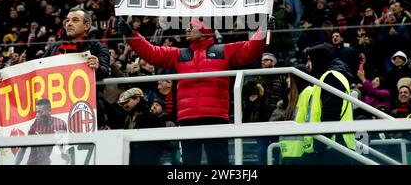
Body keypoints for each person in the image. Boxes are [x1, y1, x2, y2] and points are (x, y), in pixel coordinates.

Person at [116, 16, 269, 165]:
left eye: (193, 26)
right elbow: (152, 53)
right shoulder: (179, 54)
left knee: (219, 163)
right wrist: (132, 35)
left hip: (215, 117)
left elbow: (250, 50)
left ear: (205, 30)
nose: (187, 29)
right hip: (187, 118)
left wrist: (263, 30)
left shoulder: (225, 50)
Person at [304, 43, 356, 164]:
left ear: (319, 59)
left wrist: (320, 144)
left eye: (310, 60)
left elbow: (331, 112)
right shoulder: (330, 76)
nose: (307, 64)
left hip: (333, 146)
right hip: (335, 145)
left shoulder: (331, 76)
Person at [118, 88, 165, 165]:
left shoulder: (152, 118)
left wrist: (150, 156)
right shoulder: (128, 119)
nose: (124, 106)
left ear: (137, 99)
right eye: (122, 104)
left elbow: (162, 142)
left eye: (126, 102)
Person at [15, 98, 68, 165]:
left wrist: (65, 154)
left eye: (40, 112)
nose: (37, 115)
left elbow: (65, 148)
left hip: (48, 161)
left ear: (49, 111)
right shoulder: (34, 127)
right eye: (36, 112)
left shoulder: (60, 124)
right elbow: (22, 149)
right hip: (33, 162)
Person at [279, 64, 313, 165]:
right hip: (289, 153)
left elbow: (310, 119)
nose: (287, 80)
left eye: (289, 77)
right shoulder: (294, 97)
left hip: (302, 153)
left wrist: (308, 149)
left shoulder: (309, 92)